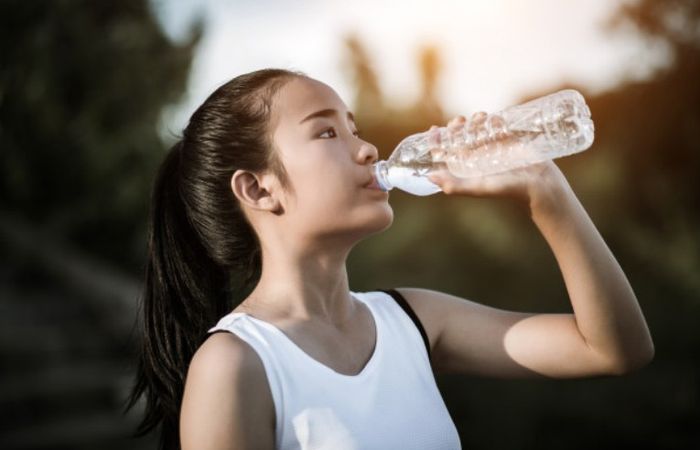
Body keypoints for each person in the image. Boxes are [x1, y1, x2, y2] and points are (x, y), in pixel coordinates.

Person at [125, 68, 654, 450]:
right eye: (327, 131)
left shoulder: (415, 320)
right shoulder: (235, 366)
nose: (367, 149)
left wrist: (546, 192)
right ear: (258, 190)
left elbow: (613, 349)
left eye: (354, 127)